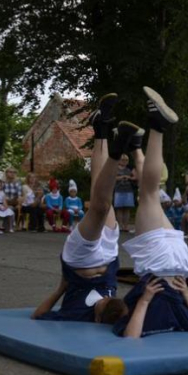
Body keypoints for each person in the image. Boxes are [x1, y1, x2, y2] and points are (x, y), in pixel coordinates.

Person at [114, 87, 188, 338]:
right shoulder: (140, 306)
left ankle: (137, 147)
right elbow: (131, 337)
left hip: (179, 262)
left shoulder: (177, 314)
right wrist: (145, 302)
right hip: (160, 263)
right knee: (148, 194)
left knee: (149, 197)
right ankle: (157, 126)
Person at [32, 93, 131, 324]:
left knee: (100, 207)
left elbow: (39, 315)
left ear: (96, 319)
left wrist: (60, 289)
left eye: (101, 306)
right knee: (100, 191)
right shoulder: (116, 307)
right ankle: (101, 129)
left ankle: (115, 152)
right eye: (106, 302)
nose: (102, 301)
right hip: (108, 255)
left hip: (79, 258)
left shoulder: (78, 313)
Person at [114, 154, 136, 232]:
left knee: (127, 209)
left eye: (126, 160)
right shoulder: (115, 168)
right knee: (119, 209)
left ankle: (126, 226)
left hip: (128, 190)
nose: (125, 161)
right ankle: (120, 225)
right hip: (119, 190)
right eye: (123, 160)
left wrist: (129, 177)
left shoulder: (129, 169)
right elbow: (112, 178)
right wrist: (121, 177)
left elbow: (136, 177)